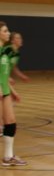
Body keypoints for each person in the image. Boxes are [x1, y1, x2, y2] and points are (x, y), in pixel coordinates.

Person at [0, 22, 26, 166]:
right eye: (5, 31)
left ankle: (8, 157)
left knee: (10, 123)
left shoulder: (4, 51)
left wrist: (12, 91)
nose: (8, 33)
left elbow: (3, 75)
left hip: (4, 91)